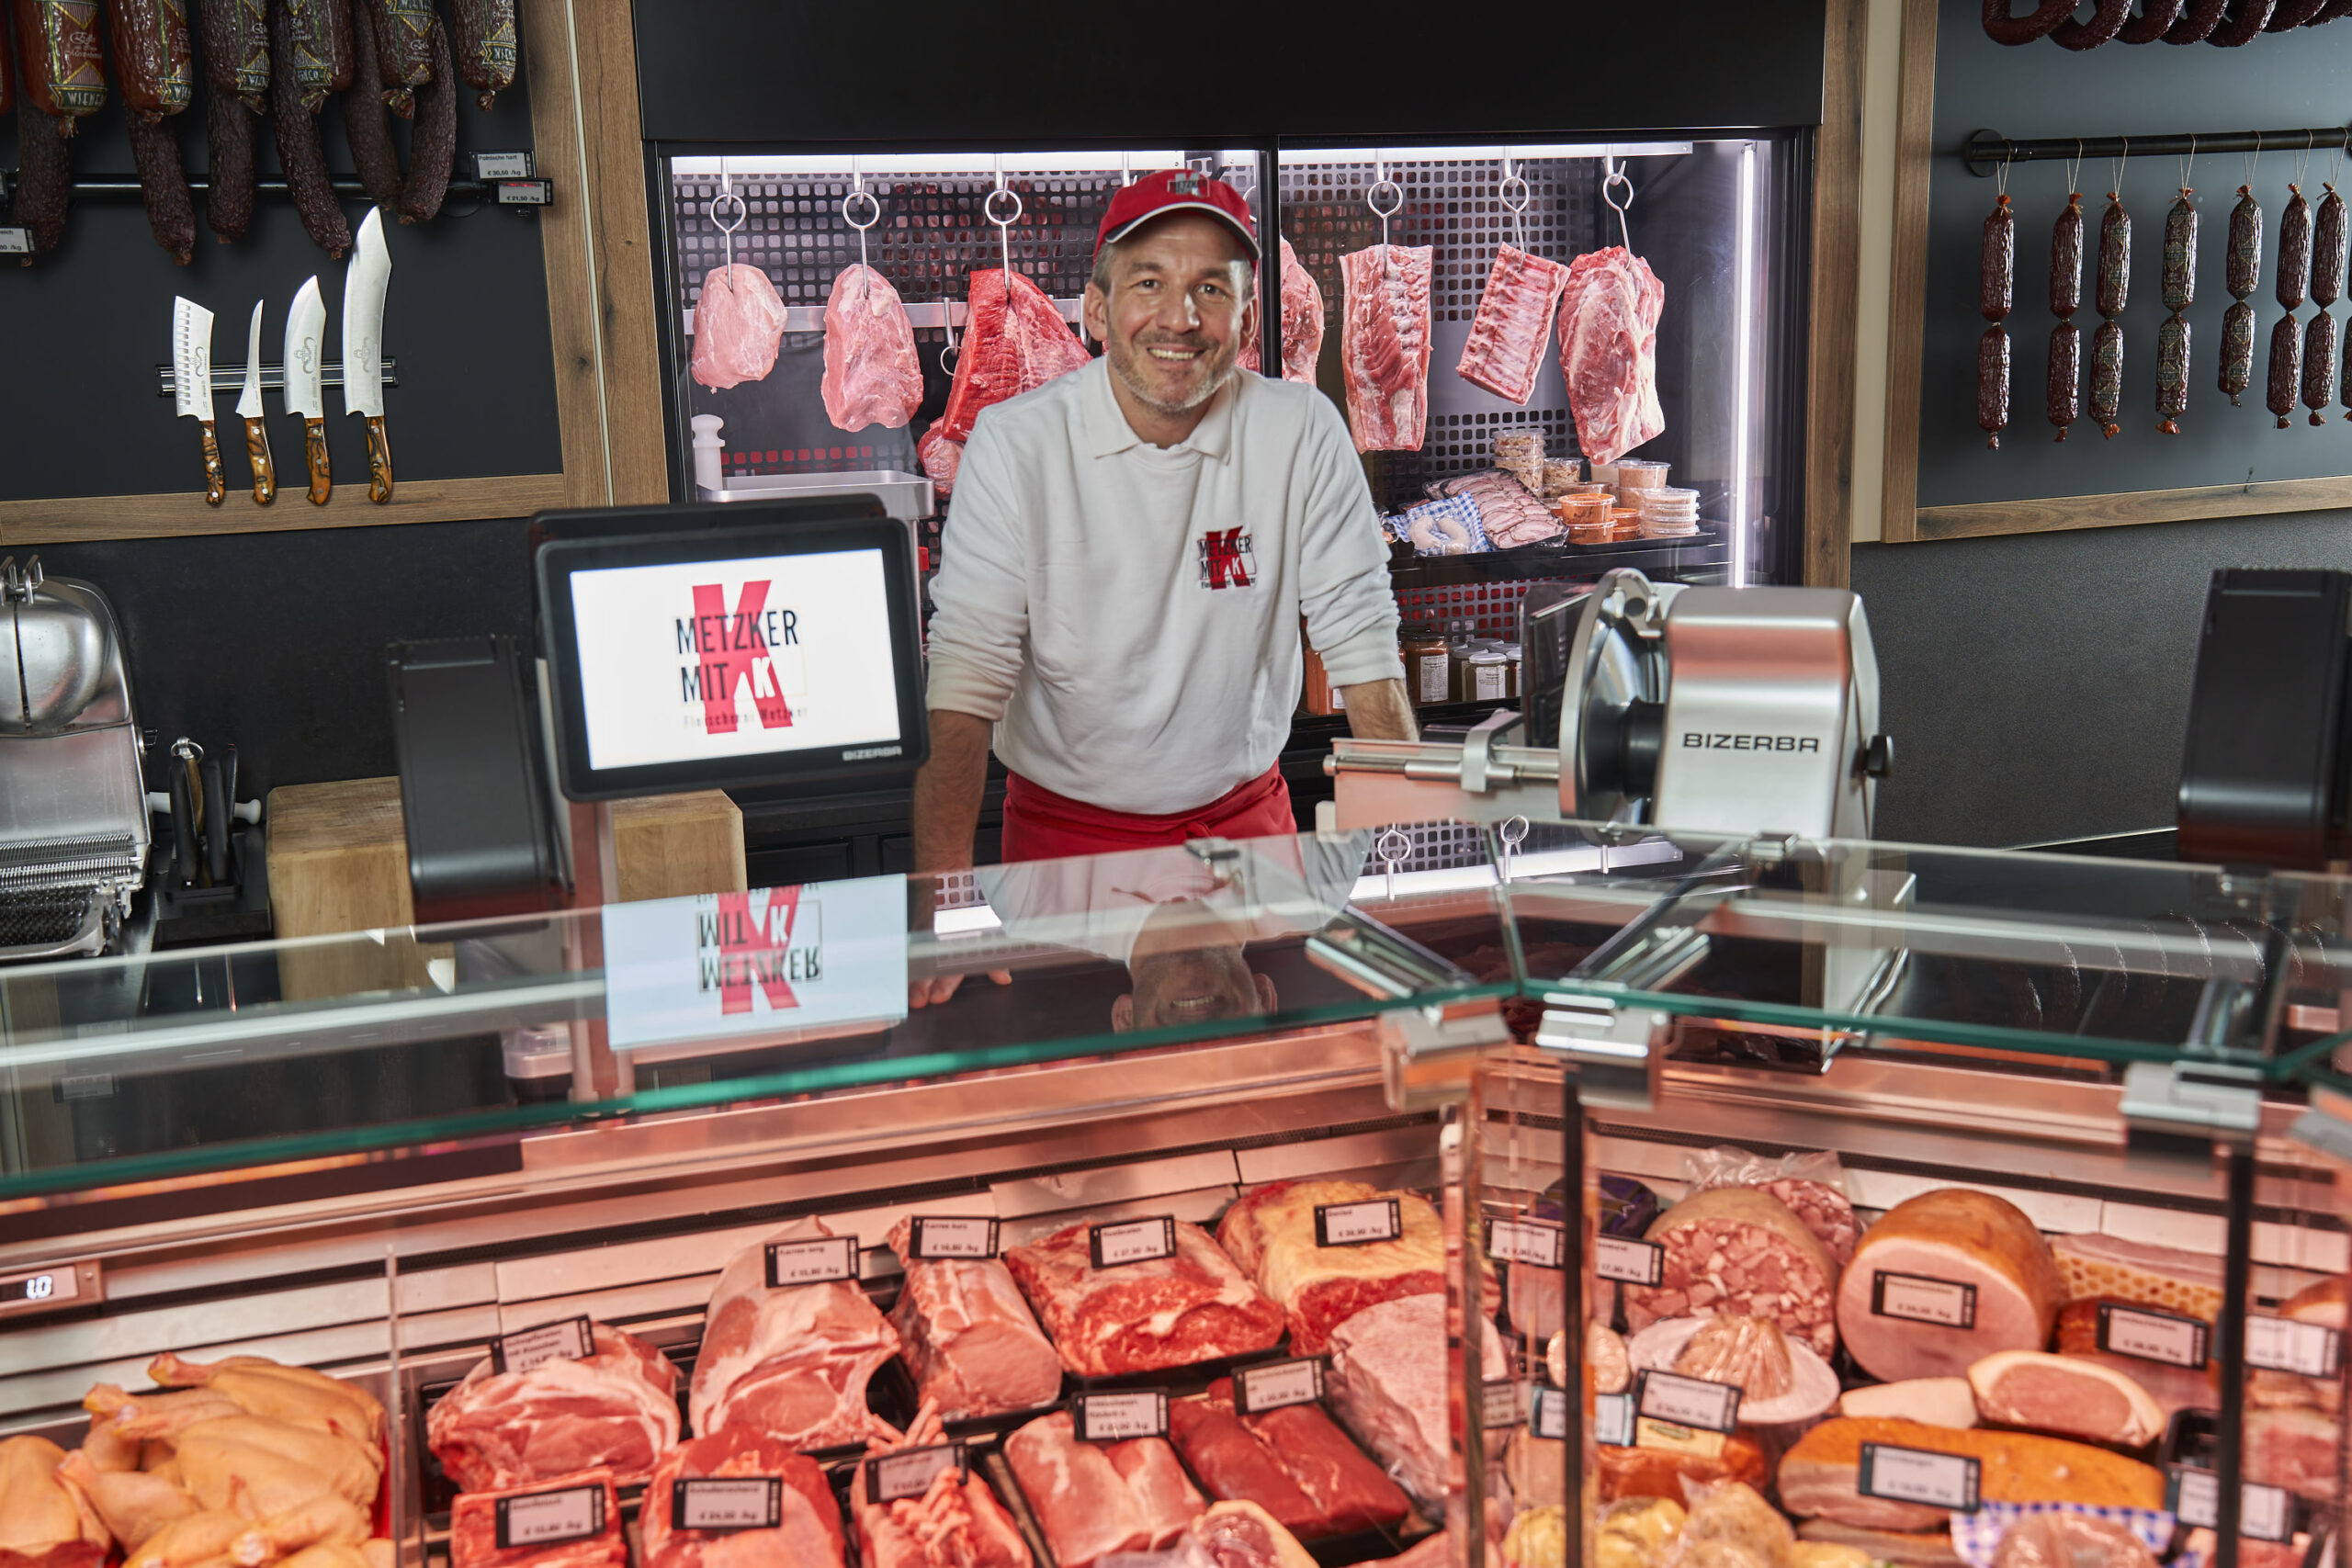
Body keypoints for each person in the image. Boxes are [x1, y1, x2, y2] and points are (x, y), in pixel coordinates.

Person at [914, 167, 1416, 875]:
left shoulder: (1300, 430)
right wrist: (940, 889)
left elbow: (1364, 650)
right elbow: (966, 679)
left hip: (1247, 830)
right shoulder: (1015, 443)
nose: (1179, 317)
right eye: (1149, 282)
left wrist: (1418, 873)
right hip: (1067, 845)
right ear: (1095, 308)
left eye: (1211, 288)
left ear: (1246, 317)